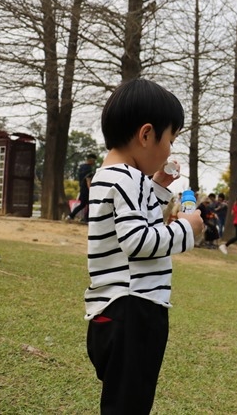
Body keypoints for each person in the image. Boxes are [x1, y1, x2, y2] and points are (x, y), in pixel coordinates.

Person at [83, 78, 205, 414]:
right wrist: (187, 229)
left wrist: (159, 188)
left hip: (111, 313)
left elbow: (133, 219)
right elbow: (138, 241)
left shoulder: (110, 177)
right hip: (134, 311)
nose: (169, 149)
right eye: (170, 139)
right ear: (146, 135)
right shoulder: (128, 179)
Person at [68, 153, 97, 221]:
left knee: (84, 204)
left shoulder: (81, 167)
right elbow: (88, 179)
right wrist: (90, 189)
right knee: (88, 204)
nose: (94, 162)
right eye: (94, 161)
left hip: (82, 188)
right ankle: (84, 218)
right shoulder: (88, 168)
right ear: (90, 160)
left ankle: (74, 216)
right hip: (86, 189)